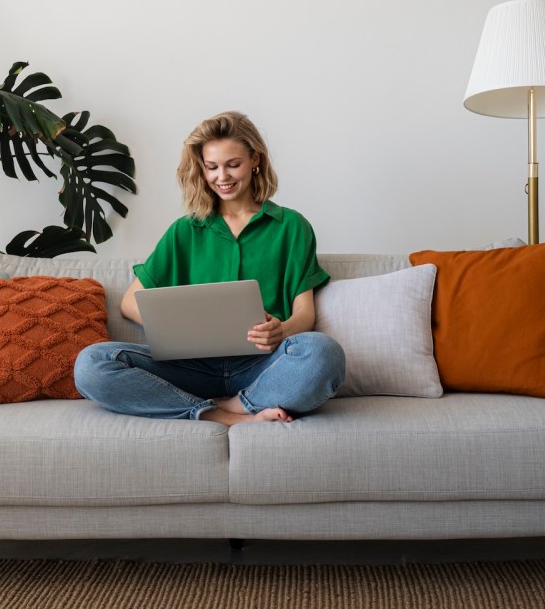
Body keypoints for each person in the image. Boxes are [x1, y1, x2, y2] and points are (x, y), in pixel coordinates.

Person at [73, 111, 345, 426]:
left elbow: (305, 313)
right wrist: (179, 326)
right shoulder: (185, 230)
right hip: (190, 368)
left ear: (254, 159)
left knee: (324, 353)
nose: (222, 177)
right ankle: (221, 413)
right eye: (212, 167)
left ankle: (238, 403)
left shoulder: (292, 227)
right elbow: (130, 302)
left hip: (264, 365)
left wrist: (280, 331)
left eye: (233, 164)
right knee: (92, 363)